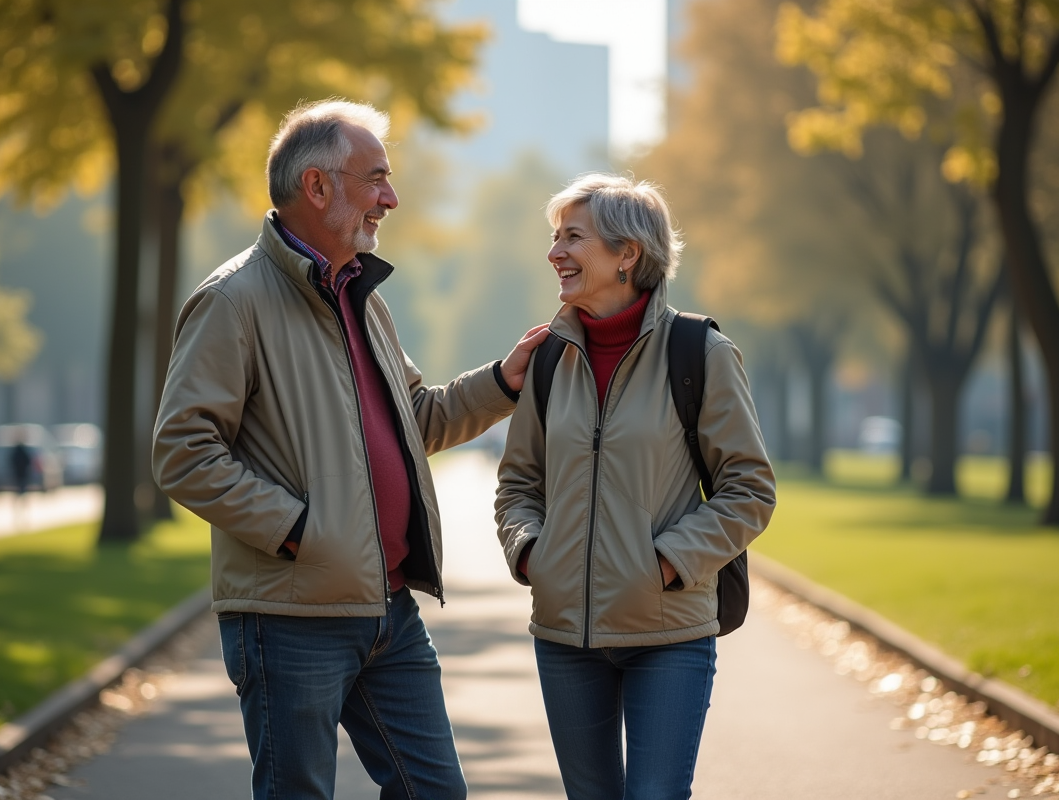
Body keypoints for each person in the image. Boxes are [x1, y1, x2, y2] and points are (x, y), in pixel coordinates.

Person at [152, 99, 548, 800]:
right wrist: (301, 532)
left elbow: (415, 421)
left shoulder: (361, 295)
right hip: (290, 616)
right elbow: (184, 452)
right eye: (376, 179)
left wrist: (501, 383)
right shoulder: (232, 300)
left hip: (388, 613)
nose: (390, 199)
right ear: (317, 188)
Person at [494, 173, 776, 800]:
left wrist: (671, 562)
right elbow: (518, 482)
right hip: (565, 635)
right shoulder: (548, 358)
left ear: (627, 254)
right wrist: (532, 552)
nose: (555, 253)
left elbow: (749, 488)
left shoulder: (699, 351)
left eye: (573, 237)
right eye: (554, 237)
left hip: (668, 632)